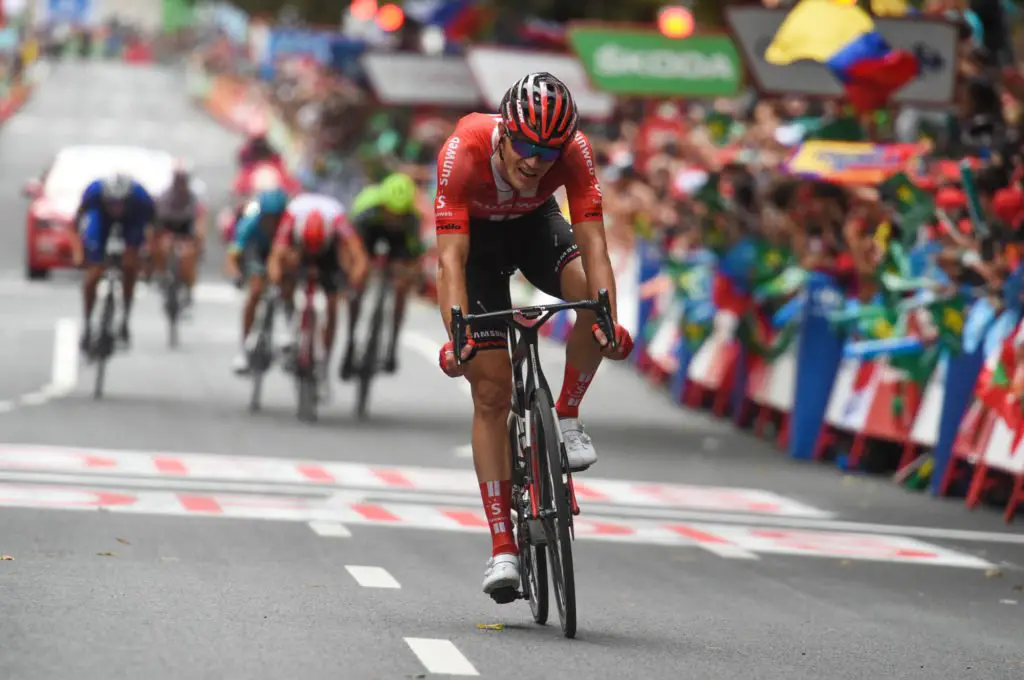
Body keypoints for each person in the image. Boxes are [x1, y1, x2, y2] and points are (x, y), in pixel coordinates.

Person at [432, 72, 634, 598]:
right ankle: (503, 547)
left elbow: (596, 247)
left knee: (590, 296)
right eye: (525, 146)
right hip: (477, 247)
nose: (536, 161)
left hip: (533, 227)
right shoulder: (462, 151)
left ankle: (566, 415)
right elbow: (450, 260)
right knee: (491, 390)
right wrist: (457, 335)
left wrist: (608, 319)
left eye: (548, 152)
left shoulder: (574, 151)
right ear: (503, 132)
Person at [267, 193, 370, 382]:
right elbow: (275, 256)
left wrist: (353, 283)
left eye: (316, 248)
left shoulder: (337, 220)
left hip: (328, 254)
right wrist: (277, 283)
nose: (313, 253)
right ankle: (288, 322)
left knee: (332, 304)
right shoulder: (292, 217)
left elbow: (359, 256)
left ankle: (325, 360)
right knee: (286, 269)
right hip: (299, 249)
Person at [339, 172, 423, 379]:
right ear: (382, 203)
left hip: (398, 241)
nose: (393, 218)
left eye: (399, 214)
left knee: (402, 284)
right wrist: (354, 273)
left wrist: (410, 275)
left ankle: (392, 345)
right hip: (369, 233)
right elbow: (349, 246)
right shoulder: (367, 209)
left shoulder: (411, 219)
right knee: (359, 278)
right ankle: (350, 343)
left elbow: (414, 256)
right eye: (390, 212)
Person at [74, 172, 156, 351]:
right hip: (102, 220)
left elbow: (153, 225)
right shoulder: (94, 193)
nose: (116, 208)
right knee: (93, 273)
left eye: (120, 203)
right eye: (112, 203)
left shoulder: (140, 198)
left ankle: (125, 319)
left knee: (130, 265)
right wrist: (81, 253)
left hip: (132, 220)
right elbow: (77, 222)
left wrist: (147, 255)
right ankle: (87, 323)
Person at [225, 187, 290, 374]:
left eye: (276, 217)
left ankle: (287, 327)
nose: (271, 222)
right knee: (255, 292)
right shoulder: (249, 224)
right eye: (267, 217)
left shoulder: (288, 224)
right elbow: (233, 254)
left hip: (278, 252)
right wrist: (236, 274)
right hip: (255, 253)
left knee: (287, 285)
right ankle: (245, 348)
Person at [153, 160, 205, 307]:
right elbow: (157, 219)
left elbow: (200, 217)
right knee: (161, 245)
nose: (180, 183)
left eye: (183, 179)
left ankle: (188, 284)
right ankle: (161, 273)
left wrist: (198, 241)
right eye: (178, 179)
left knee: (189, 253)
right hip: (168, 224)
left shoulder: (195, 195)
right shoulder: (164, 194)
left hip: (186, 226)